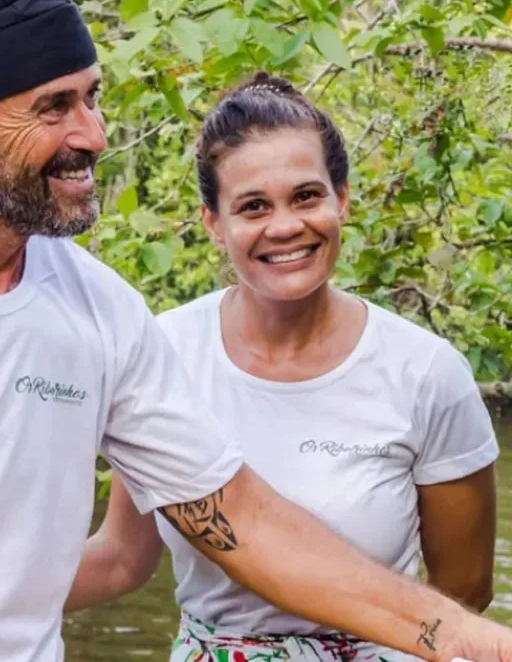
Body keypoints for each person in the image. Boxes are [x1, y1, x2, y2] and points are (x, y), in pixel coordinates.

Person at [0, 0, 512, 659]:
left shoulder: (101, 312)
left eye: (92, 98)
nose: (92, 134)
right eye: (53, 107)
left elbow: (238, 517)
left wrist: (465, 637)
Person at [64, 71, 500, 661]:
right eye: (252, 206)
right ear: (214, 224)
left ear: (341, 199)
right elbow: (122, 556)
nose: (285, 226)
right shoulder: (163, 351)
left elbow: (463, 594)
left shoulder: (426, 374)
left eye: (306, 196)